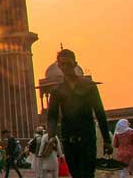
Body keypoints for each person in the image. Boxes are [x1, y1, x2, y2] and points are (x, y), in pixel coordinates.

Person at [46, 49, 112, 178]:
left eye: (68, 64)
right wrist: (51, 136)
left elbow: (99, 112)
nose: (66, 67)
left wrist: (107, 140)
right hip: (68, 139)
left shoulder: (89, 86)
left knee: (87, 174)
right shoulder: (58, 91)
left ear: (75, 64)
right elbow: (52, 116)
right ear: (59, 66)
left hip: (87, 138)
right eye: (62, 64)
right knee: (75, 174)